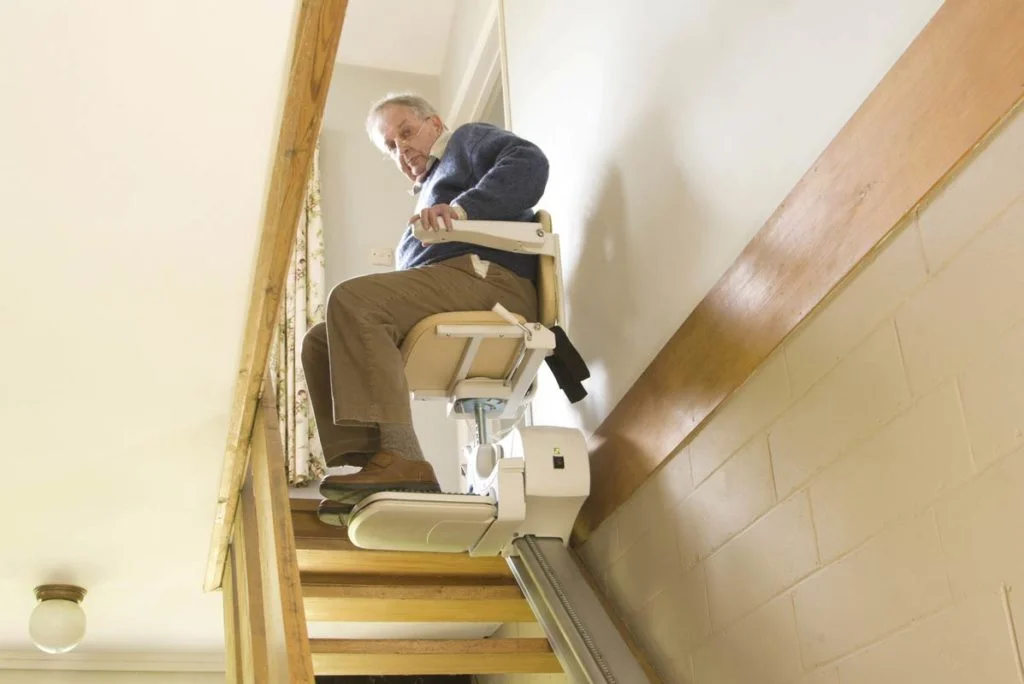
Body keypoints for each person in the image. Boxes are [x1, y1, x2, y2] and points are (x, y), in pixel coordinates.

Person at [301, 93, 549, 516]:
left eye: (407, 132)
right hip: (455, 286)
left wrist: (462, 209)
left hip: (491, 282)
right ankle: (373, 463)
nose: (403, 149)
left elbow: (529, 163)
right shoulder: (426, 194)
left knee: (352, 299)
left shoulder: (465, 142)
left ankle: (403, 459)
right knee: (321, 341)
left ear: (434, 124)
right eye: (391, 148)